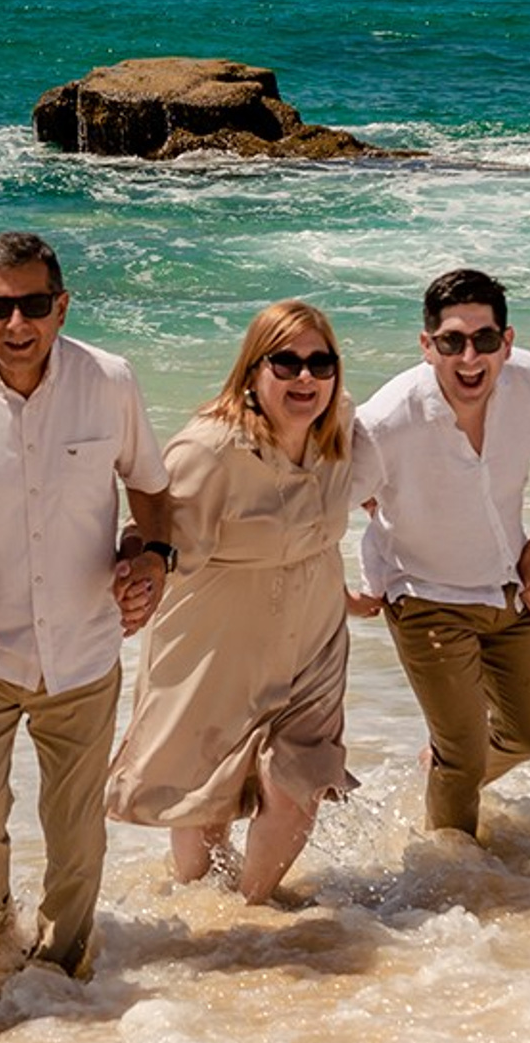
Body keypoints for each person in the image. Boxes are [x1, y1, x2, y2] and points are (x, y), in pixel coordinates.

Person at [0, 231, 172, 978]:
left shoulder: (109, 380)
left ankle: (61, 984)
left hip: (83, 650)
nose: (20, 325)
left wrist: (152, 558)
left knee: (77, 835)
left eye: (35, 305)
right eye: (0, 308)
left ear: (63, 305)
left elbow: (151, 488)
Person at [107, 300, 375, 902]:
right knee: (207, 802)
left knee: (299, 785)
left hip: (312, 641)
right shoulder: (208, 451)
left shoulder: (341, 430)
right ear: (254, 371)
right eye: (286, 363)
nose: (306, 378)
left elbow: (392, 480)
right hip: (216, 645)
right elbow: (151, 535)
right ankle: (206, 917)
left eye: (320, 362)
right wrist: (131, 581)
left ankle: (250, 917)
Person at [354, 265, 530, 838]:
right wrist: (346, 590)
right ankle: (452, 882)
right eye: (452, 342)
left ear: (506, 343)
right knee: (463, 757)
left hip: (509, 586)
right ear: (427, 346)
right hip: (423, 593)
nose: (469, 359)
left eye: (484, 340)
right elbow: (329, 502)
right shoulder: (386, 420)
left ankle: (431, 783)